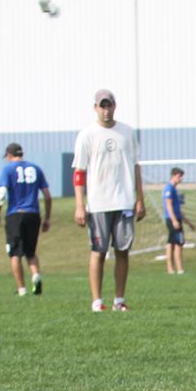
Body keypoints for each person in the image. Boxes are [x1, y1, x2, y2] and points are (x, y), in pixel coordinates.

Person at [73, 88, 144, 313]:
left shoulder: (127, 132)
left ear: (115, 106)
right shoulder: (86, 135)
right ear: (95, 108)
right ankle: (97, 301)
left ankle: (119, 300)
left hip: (124, 201)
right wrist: (79, 205)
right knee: (99, 251)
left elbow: (135, 166)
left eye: (109, 105)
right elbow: (79, 172)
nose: (106, 110)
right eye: (101, 106)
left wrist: (139, 199)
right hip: (98, 203)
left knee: (122, 251)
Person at [0, 143, 50, 296]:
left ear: (9, 155)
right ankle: (35, 275)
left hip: (15, 213)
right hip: (33, 214)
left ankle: (22, 289)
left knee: (15, 253)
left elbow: (1, 193)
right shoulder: (36, 168)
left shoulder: (8, 169)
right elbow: (47, 195)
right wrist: (47, 218)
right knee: (31, 251)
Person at [161, 167, 196, 276]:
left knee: (173, 243)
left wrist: (188, 223)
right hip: (172, 219)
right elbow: (168, 205)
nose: (181, 179)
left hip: (176, 218)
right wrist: (174, 220)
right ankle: (178, 269)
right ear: (173, 176)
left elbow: (178, 210)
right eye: (179, 176)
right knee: (177, 243)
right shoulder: (169, 189)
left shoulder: (175, 190)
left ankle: (173, 269)